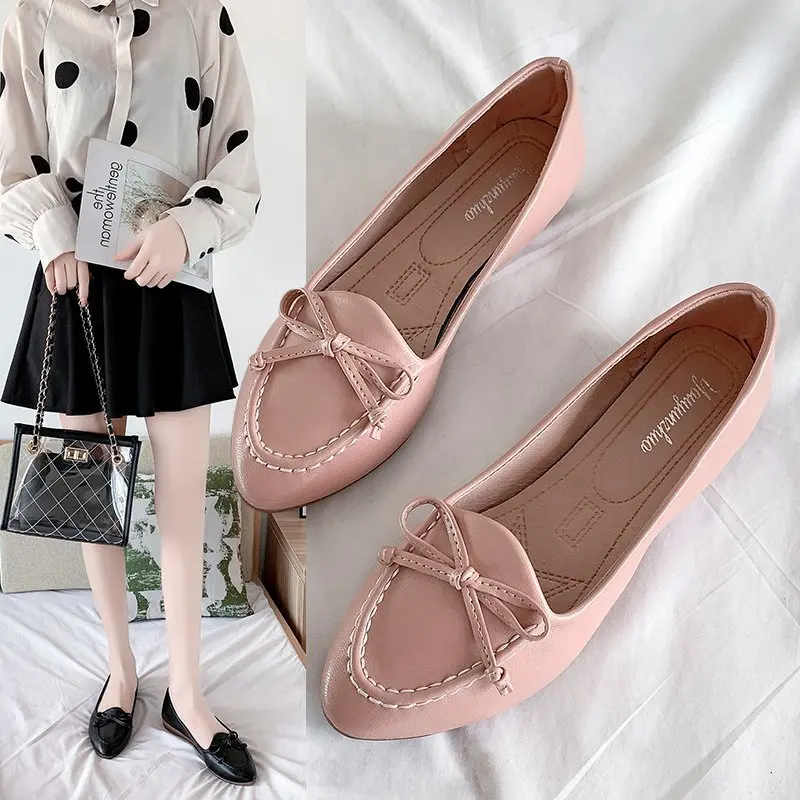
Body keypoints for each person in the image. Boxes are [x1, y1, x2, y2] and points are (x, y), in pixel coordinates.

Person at [0, 0, 260, 785]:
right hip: (75, 278)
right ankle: (121, 673)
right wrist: (49, 230)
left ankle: (188, 694)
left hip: (173, 276)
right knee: (93, 498)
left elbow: (238, 160)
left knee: (180, 499)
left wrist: (189, 228)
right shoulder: (30, 13)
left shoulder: (199, 12)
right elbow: (11, 148)